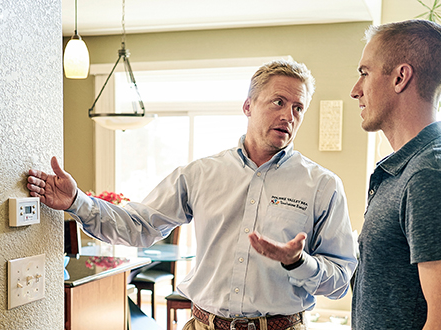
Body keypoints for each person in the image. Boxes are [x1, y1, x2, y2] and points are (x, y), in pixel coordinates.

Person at [28, 59, 357, 330]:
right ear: (247, 106)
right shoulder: (201, 174)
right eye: (278, 102)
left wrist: (297, 262)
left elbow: (341, 279)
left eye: (298, 108)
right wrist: (75, 203)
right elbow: (138, 225)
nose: (289, 116)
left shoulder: (323, 185)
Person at [349, 19, 441, 330]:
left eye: (364, 73)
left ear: (400, 77)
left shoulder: (432, 174)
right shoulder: (410, 168)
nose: (355, 90)